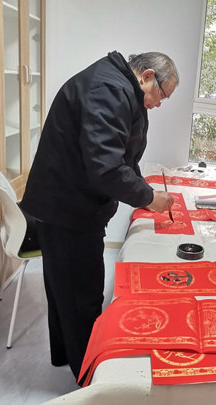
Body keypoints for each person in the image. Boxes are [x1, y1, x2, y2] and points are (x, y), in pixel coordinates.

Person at [20, 51, 178, 383]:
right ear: (148, 76)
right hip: (68, 208)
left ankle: (67, 357)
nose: (159, 104)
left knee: (63, 287)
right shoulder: (108, 89)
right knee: (82, 295)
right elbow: (106, 167)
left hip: (63, 203)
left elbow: (123, 156)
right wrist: (149, 198)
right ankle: (90, 379)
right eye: (162, 95)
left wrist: (145, 192)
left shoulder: (118, 86)